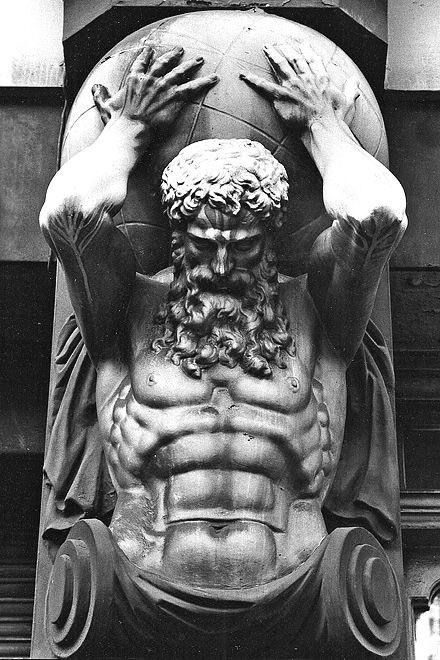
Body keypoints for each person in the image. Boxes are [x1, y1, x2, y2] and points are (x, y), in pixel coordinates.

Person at [40, 40, 406, 589]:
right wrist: (127, 131)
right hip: (137, 581)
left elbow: (378, 215)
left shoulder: (315, 316)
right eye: (202, 243)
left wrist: (323, 127)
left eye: (242, 247)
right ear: (177, 239)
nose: (219, 265)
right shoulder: (128, 313)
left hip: (299, 581)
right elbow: (68, 215)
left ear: (270, 243)